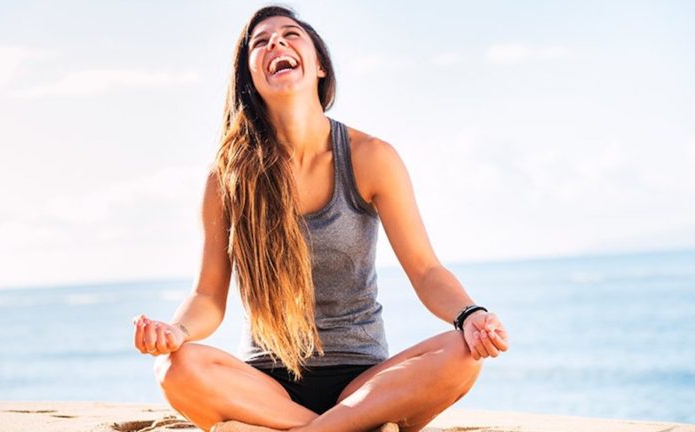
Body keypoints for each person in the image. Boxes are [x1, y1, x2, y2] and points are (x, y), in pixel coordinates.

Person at [131, 5, 509, 432]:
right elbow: (207, 295)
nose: (276, 43)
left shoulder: (371, 157)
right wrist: (177, 331)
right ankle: (346, 427)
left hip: (363, 382)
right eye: (260, 42)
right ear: (250, 78)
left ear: (320, 66)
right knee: (174, 368)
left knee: (463, 354)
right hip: (266, 387)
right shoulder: (227, 177)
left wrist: (470, 315)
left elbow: (426, 271)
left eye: (290, 35)